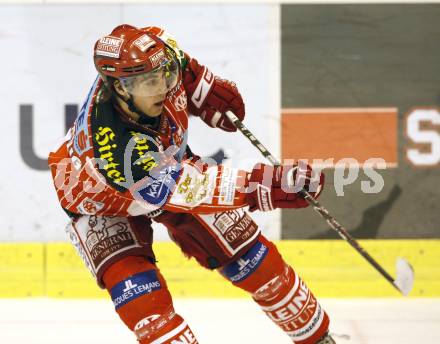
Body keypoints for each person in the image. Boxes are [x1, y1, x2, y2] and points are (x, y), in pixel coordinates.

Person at [48, 24, 335, 344]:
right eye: (148, 83)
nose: (160, 88)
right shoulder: (117, 150)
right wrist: (264, 185)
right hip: (97, 197)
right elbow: (190, 190)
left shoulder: (157, 56)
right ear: (121, 89)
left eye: (164, 76)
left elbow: (178, 61)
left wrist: (202, 85)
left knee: (251, 256)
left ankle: (319, 339)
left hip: (166, 163)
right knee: (146, 305)